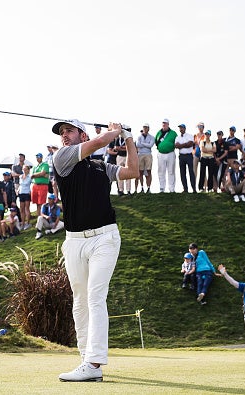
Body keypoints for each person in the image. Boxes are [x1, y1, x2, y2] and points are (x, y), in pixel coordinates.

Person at [52, 119, 138, 382]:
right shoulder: (62, 157)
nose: (64, 136)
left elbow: (132, 171)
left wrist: (129, 138)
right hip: (74, 240)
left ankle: (94, 361)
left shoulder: (102, 166)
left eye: (69, 130)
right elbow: (101, 142)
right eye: (61, 132)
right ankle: (86, 361)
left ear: (82, 133)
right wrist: (115, 130)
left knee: (95, 296)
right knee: (80, 300)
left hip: (105, 237)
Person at [155, 118, 177, 193]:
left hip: (170, 153)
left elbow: (176, 142)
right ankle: (162, 188)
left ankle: (171, 188)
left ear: (168, 124)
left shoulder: (173, 133)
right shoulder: (158, 133)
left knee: (171, 171)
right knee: (161, 171)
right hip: (161, 154)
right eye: (163, 123)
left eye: (165, 123)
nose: (164, 124)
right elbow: (156, 142)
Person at [175, 123, 196, 193]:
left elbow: (190, 144)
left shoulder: (189, 136)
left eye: (182, 128)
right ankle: (185, 189)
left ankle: (194, 188)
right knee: (182, 173)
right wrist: (184, 145)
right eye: (180, 128)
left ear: (184, 128)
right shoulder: (177, 137)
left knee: (191, 172)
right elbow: (176, 146)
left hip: (189, 155)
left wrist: (181, 145)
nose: (181, 129)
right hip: (181, 156)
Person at [136, 123, 155, 193]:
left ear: (148, 129)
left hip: (148, 154)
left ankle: (148, 188)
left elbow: (150, 145)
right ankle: (142, 187)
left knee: (149, 171)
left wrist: (143, 143)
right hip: (140, 155)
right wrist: (146, 144)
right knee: (140, 171)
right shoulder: (139, 137)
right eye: (144, 127)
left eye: (146, 127)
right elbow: (137, 144)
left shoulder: (152, 137)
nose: (145, 129)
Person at [18, 164, 32, 230]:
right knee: (21, 209)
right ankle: (23, 223)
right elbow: (20, 185)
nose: (24, 170)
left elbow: (32, 184)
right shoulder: (20, 176)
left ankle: (28, 223)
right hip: (21, 193)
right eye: (23, 169)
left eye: (26, 169)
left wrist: (31, 191)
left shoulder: (30, 177)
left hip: (27, 193)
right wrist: (17, 190)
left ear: (28, 170)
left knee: (27, 208)